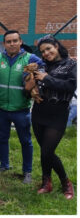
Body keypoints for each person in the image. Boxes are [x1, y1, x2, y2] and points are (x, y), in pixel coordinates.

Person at [26, 36, 76, 199]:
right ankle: (46, 182)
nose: (46, 53)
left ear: (56, 46)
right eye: (43, 52)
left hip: (58, 113)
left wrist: (46, 78)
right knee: (44, 150)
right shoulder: (42, 65)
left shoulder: (71, 64)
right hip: (39, 111)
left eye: (49, 49)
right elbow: (30, 86)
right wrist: (31, 82)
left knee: (48, 150)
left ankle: (66, 183)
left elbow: (70, 86)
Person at [0, 29, 44, 184]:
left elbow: (45, 67)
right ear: (4, 44)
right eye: (8, 41)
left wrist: (37, 73)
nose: (12, 44)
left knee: (25, 141)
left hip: (21, 108)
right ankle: (4, 165)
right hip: (1, 107)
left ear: (20, 41)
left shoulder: (30, 58)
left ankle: (27, 171)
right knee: (2, 139)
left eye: (15, 40)